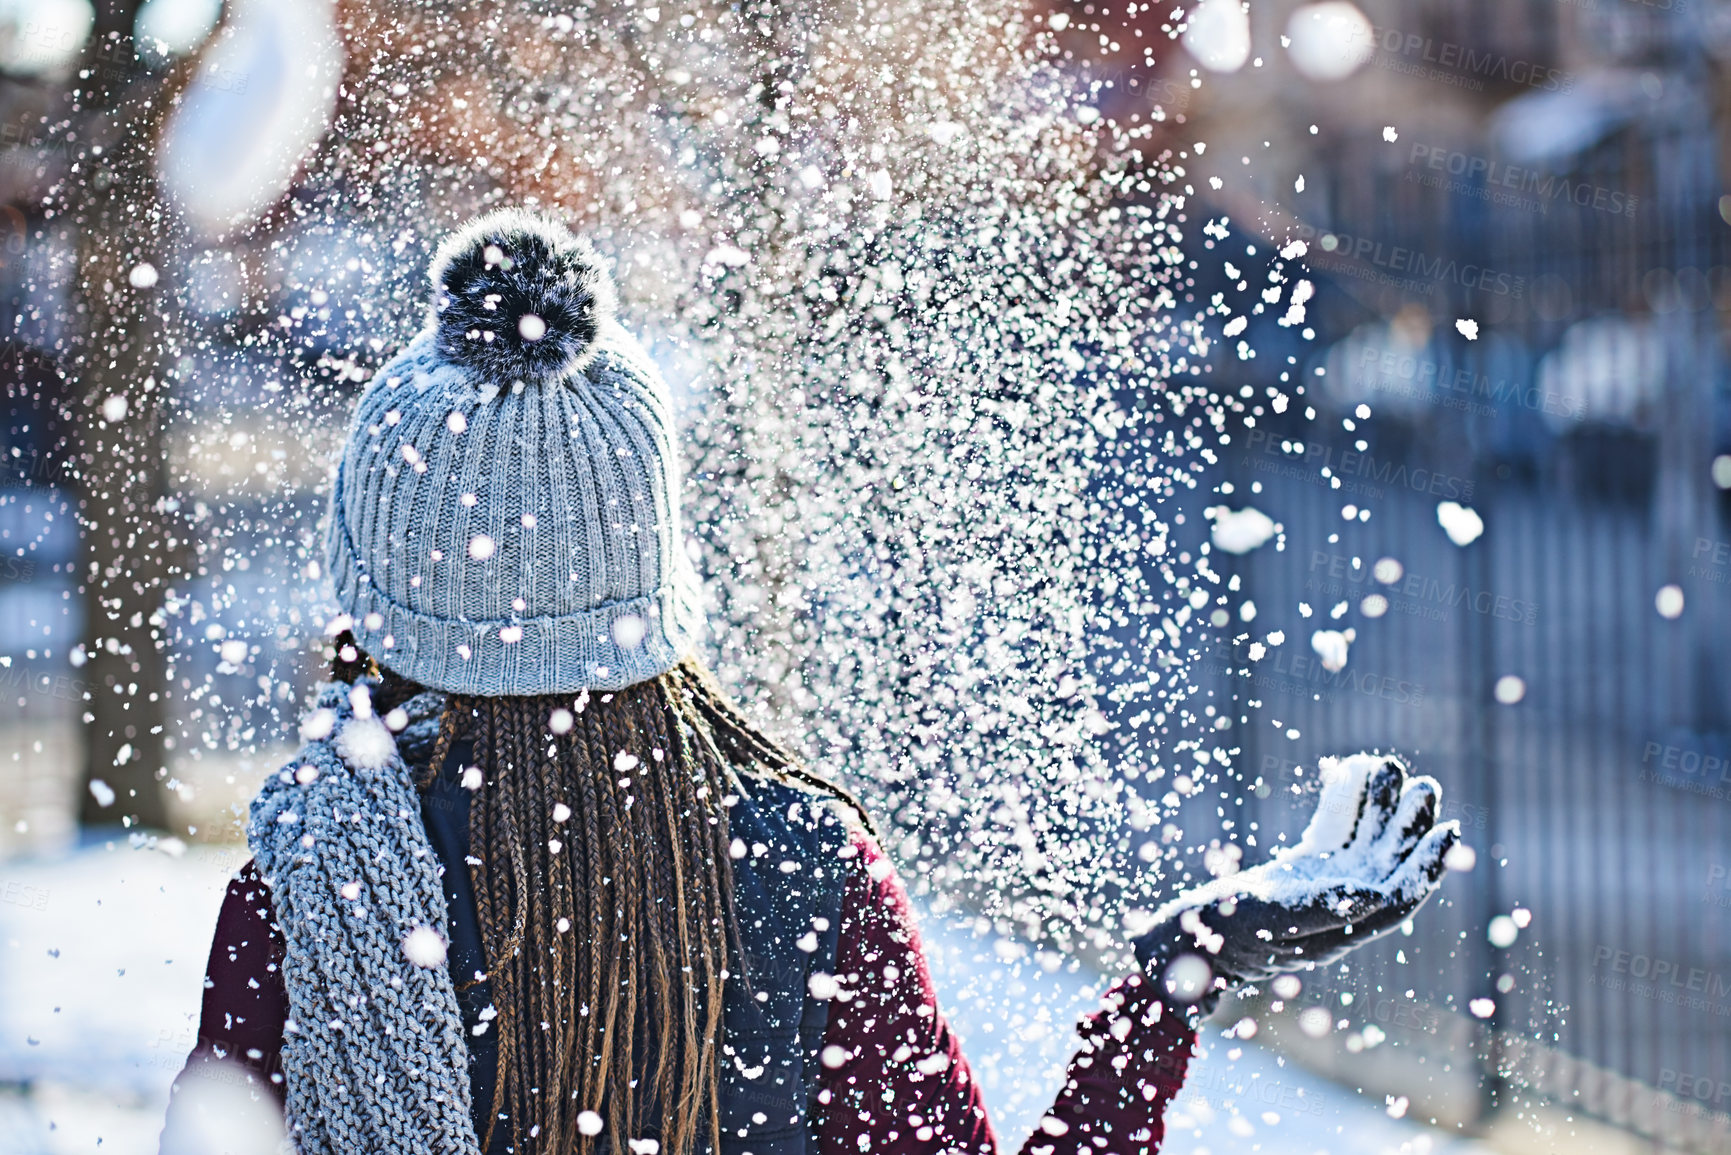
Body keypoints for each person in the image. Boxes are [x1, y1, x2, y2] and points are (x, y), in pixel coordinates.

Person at [162, 210, 1461, 1155]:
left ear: (381, 592)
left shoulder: (315, 883)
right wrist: (1176, 976)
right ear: (650, 580)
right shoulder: (796, 871)